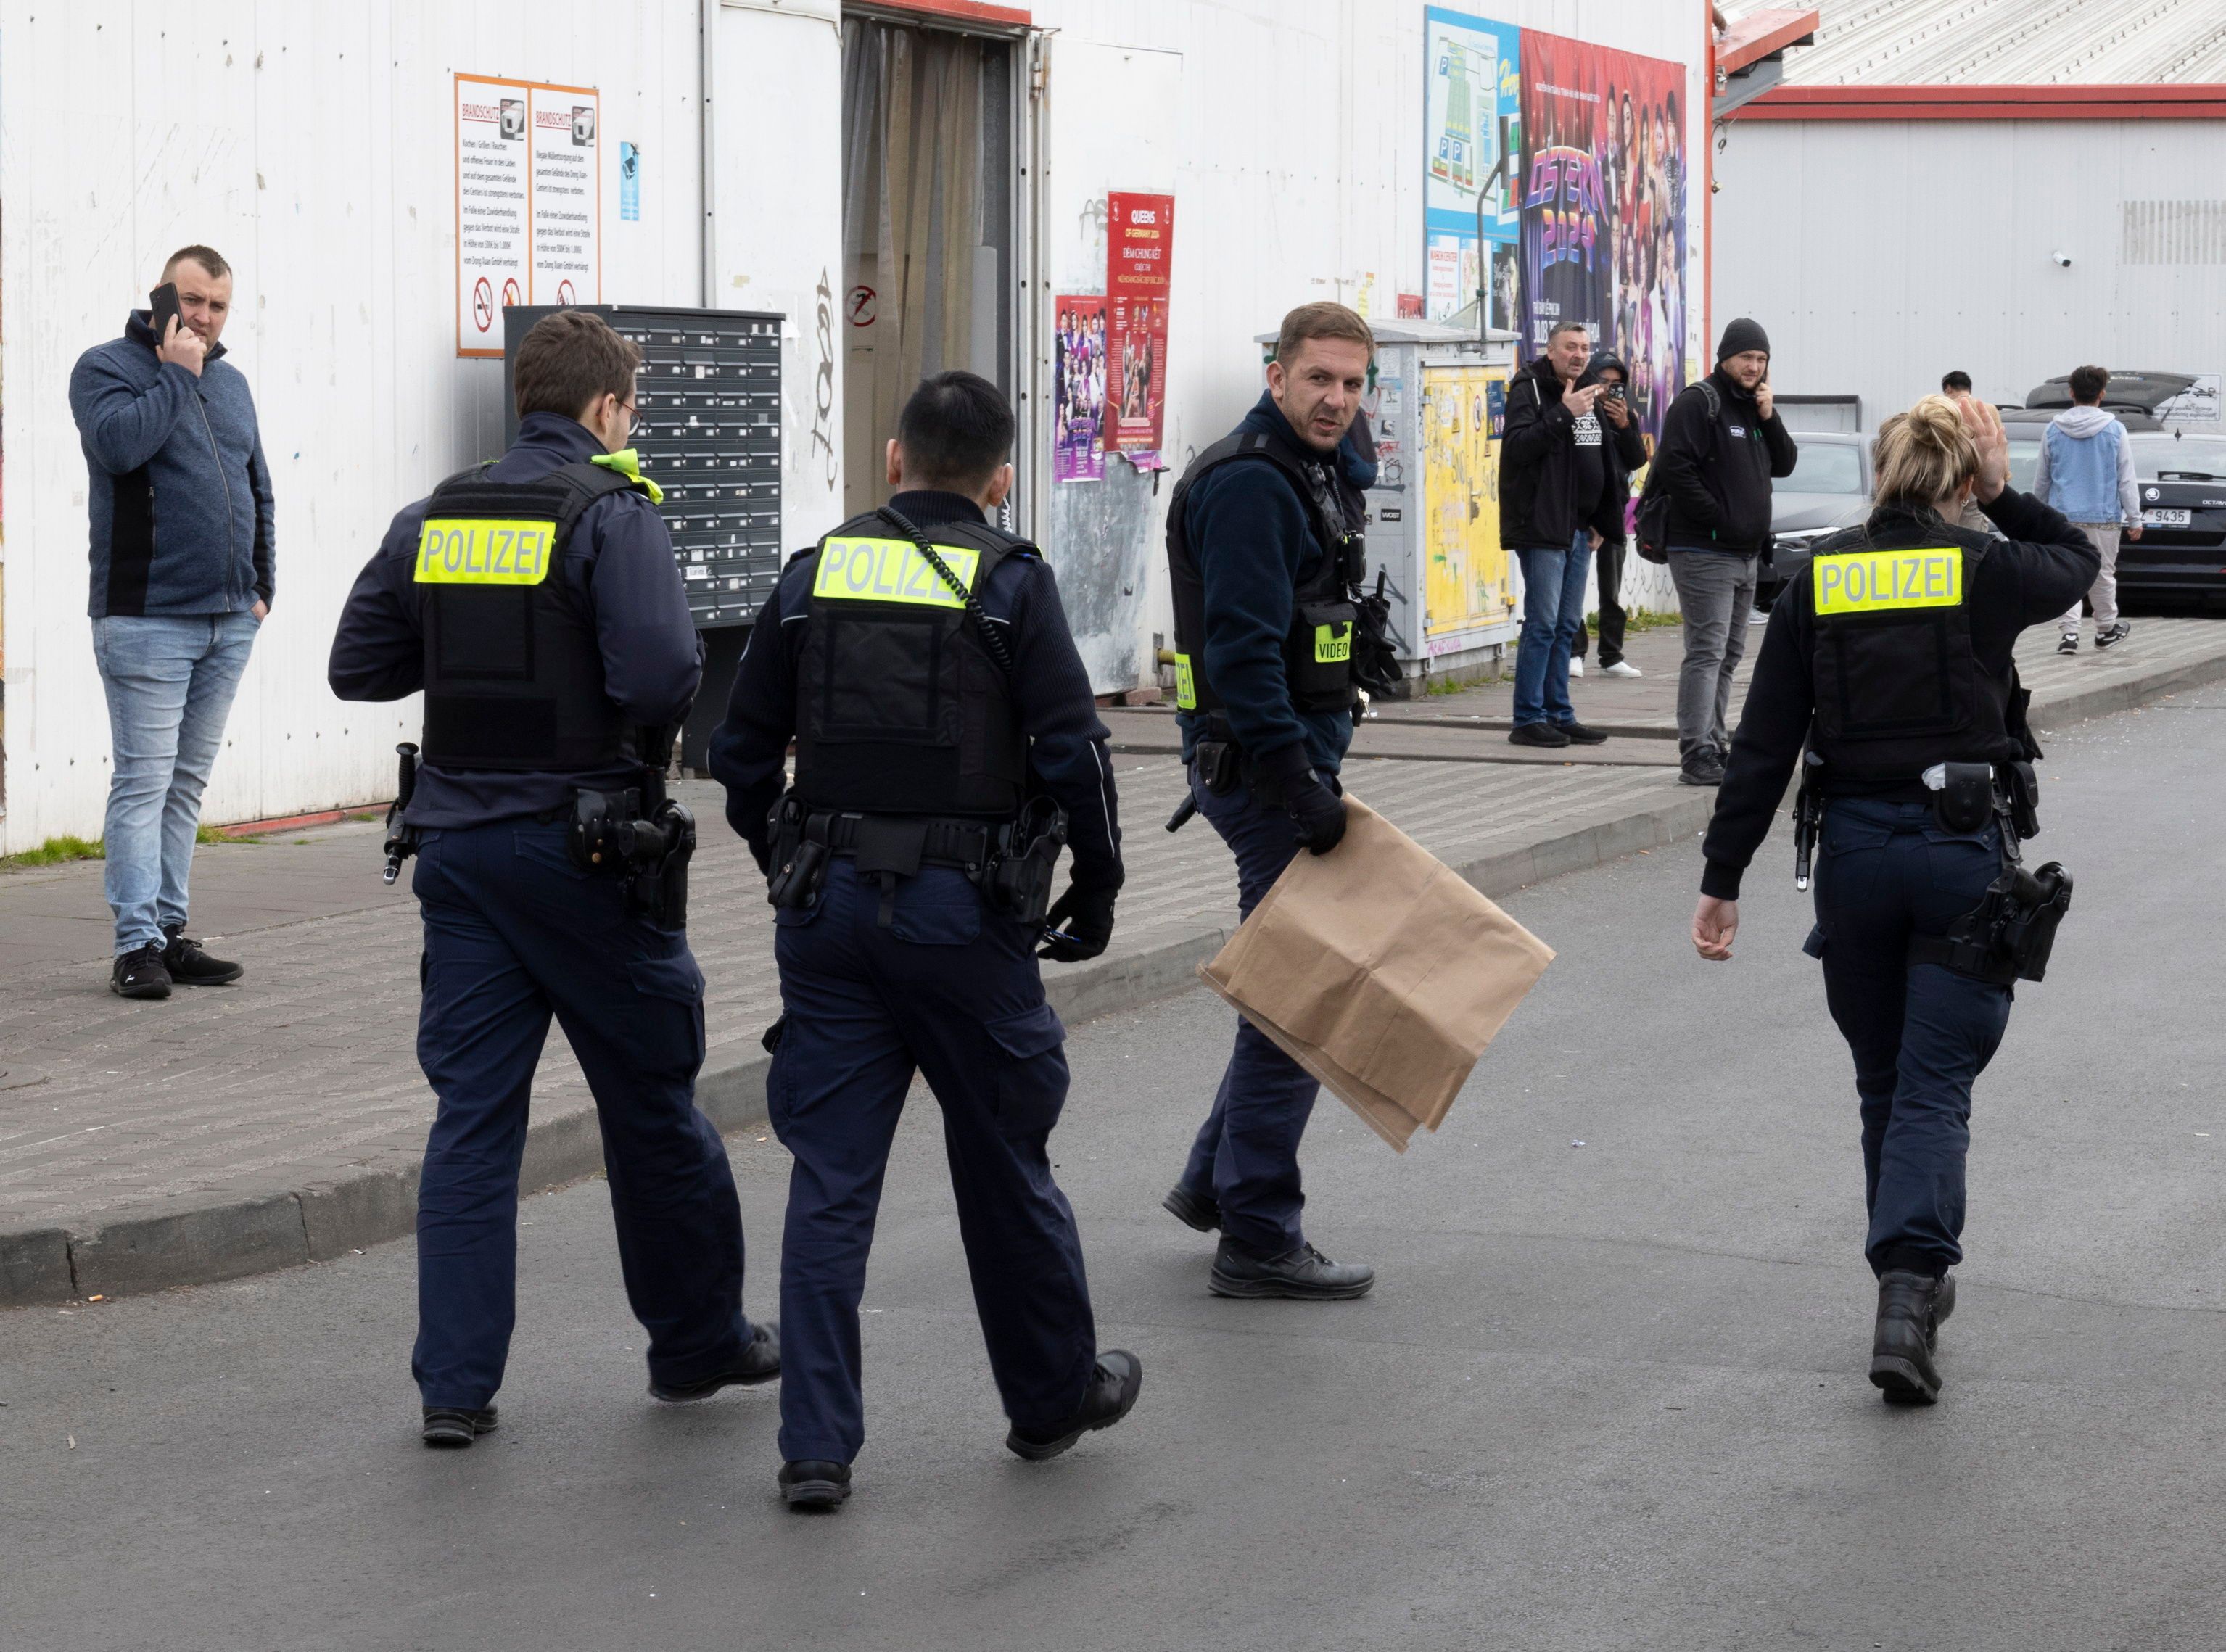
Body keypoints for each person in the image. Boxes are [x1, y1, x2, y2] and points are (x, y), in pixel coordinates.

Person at [329, 308, 775, 1449]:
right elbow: (667, 670)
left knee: (473, 1122)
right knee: (650, 1102)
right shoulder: (609, 511)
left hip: (461, 856)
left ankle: (455, 1389)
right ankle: (695, 1342)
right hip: (584, 855)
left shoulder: (435, 512)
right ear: (607, 409)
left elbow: (358, 665)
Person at [709, 370, 1137, 1512]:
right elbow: (1073, 754)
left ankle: (815, 1445)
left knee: (832, 1176)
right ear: (999, 477)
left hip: (829, 912)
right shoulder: (1011, 582)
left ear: (894, 459)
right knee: (1004, 1159)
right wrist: (1096, 886)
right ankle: (1050, 1401)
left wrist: (785, 860)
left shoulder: (815, 574)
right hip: (961, 915)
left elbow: (739, 754)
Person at [1689, 395, 2098, 1405]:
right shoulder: (1986, 566)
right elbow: (2079, 563)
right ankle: (1910, 1290)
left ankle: (1905, 1289)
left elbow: (1764, 743)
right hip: (1961, 860)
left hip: (1856, 860)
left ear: (1879, 471)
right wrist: (2005, 491)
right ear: (1961, 479)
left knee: (1886, 1083)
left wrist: (1721, 878)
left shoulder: (1820, 576)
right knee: (1931, 1088)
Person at [1159, 302, 1378, 1302]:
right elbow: (1244, 655)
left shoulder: (1303, 468)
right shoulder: (1252, 482)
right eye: (1319, 379)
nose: (1336, 400)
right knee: (1299, 998)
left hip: (1278, 761)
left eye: (1352, 383)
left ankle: (1217, 1180)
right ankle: (1256, 1230)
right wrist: (1297, 787)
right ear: (1276, 374)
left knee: (1281, 982)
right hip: (1261, 770)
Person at [70, 245, 274, 1001]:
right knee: (144, 783)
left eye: (218, 306)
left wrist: (264, 588)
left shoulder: (233, 382)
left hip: (229, 620)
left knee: (185, 786)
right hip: (146, 619)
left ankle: (168, 929)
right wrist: (175, 372)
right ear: (159, 294)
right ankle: (134, 947)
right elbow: (119, 446)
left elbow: (259, 487)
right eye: (192, 301)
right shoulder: (107, 369)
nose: (205, 319)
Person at [1653, 318, 1799, 787]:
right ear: (1724, 358)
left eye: (1761, 360)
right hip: (1703, 550)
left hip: (1744, 554)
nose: (1754, 367)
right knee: (1706, 651)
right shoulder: (1701, 403)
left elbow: (1786, 463)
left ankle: (1714, 743)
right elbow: (1674, 466)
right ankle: (1695, 750)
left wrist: (1768, 415)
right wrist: (1718, 517)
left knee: (1730, 653)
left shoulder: (1751, 410)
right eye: (1746, 358)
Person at [1498, 320, 1621, 746]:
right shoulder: (1528, 389)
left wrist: (1602, 520)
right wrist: (1562, 414)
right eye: (1570, 347)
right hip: (1541, 527)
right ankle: (1527, 718)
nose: (1579, 355)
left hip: (1580, 530)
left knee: (1568, 624)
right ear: (1550, 351)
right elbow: (1517, 448)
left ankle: (1559, 713)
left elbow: (1606, 461)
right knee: (1544, 624)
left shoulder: (1591, 391)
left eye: (1585, 348)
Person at [2031, 364, 2140, 653]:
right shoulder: (2116, 430)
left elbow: (2042, 479)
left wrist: (2035, 517)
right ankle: (2105, 630)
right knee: (2102, 573)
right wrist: (2134, 517)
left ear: (2071, 393)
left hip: (2062, 517)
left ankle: (2069, 634)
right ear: (2101, 394)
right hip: (2103, 517)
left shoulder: (2053, 430)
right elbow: (2126, 477)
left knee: (2066, 573)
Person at [1572, 349, 1652, 680]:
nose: (1608, 390)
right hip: (1581, 510)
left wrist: (1624, 425)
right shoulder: (1580, 411)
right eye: (1603, 382)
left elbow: (1635, 460)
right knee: (1572, 586)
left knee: (1611, 587)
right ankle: (1574, 652)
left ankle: (1612, 655)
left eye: (1616, 385)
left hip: (1614, 510)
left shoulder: (1625, 416)